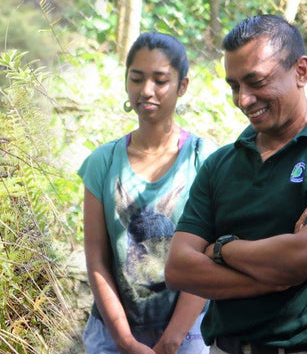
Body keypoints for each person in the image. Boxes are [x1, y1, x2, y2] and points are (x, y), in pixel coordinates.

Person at [165, 15, 307, 354]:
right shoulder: (220, 164)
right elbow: (178, 268)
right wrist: (278, 275)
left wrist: (221, 249)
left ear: (302, 71)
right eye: (234, 86)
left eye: (257, 81)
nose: (243, 100)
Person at [78, 32, 212, 354]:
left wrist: (173, 338)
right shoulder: (103, 163)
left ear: (182, 86)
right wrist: (124, 340)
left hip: (188, 331)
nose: (147, 90)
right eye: (137, 79)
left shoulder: (203, 159)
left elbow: (208, 256)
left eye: (160, 80)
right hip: (112, 333)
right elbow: (97, 258)